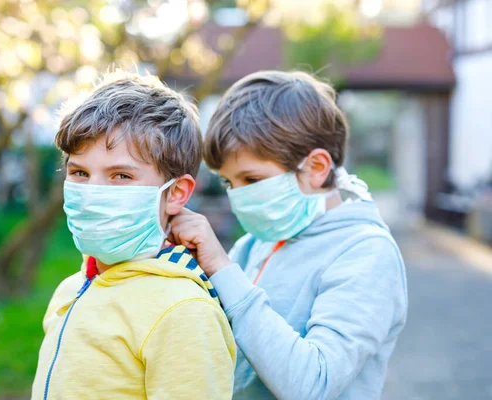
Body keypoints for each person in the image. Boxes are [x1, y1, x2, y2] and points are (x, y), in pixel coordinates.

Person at [170, 70, 408, 400]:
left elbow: (313, 384)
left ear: (316, 168)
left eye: (251, 180)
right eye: (229, 182)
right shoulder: (257, 242)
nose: (237, 196)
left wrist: (223, 271)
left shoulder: (366, 252)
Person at [32, 71, 235, 400]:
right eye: (79, 172)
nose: (93, 191)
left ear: (176, 193)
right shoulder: (72, 288)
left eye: (121, 175)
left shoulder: (183, 310)